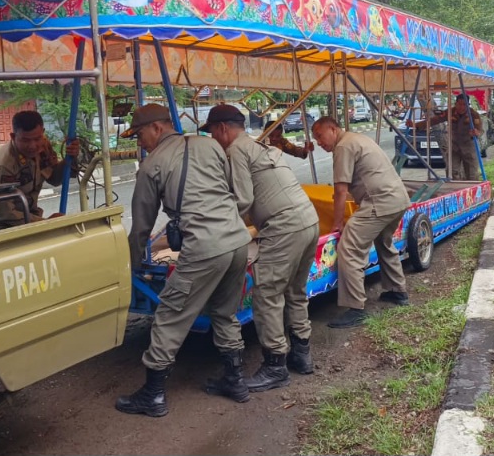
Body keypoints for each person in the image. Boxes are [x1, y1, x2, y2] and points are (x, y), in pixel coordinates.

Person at [116, 103, 253, 417]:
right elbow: (233, 191)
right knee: (225, 312)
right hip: (237, 241)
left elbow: (141, 227)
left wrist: (130, 264)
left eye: (139, 134)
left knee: (169, 316)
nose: (139, 142)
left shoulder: (151, 166)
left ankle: (152, 395)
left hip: (204, 248)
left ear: (158, 128)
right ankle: (235, 381)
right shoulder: (211, 145)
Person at [203, 105, 320, 392]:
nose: (214, 140)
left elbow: (242, 199)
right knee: (294, 290)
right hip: (308, 219)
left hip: (285, 226)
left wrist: (213, 224)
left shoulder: (236, 151)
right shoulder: (259, 144)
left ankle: (275, 366)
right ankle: (301, 354)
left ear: (222, 129)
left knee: (267, 293)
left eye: (213, 133)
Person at [311, 117, 411, 329]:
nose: (318, 142)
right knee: (384, 242)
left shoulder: (344, 146)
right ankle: (397, 291)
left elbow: (340, 190)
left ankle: (355, 308)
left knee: (348, 248)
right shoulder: (356, 138)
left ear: (333, 128)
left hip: (379, 202)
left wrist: (338, 223)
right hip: (397, 199)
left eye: (319, 136)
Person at [0, 110, 79, 228]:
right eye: (25, 140)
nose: (33, 146)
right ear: (13, 137)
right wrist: (45, 223)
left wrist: (69, 158)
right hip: (1, 227)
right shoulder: (3, 166)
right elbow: (5, 214)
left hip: (30, 217)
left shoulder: (43, 145)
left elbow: (55, 179)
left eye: (37, 138)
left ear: (43, 133)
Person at [407, 94, 483, 180]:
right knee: (451, 172)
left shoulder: (474, 115)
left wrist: (476, 132)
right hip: (453, 147)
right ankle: (454, 190)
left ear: (468, 105)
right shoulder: (450, 112)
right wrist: (415, 124)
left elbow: (480, 130)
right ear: (455, 103)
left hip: (469, 147)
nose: (461, 107)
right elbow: (434, 120)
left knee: (472, 173)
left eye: (464, 105)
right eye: (459, 104)